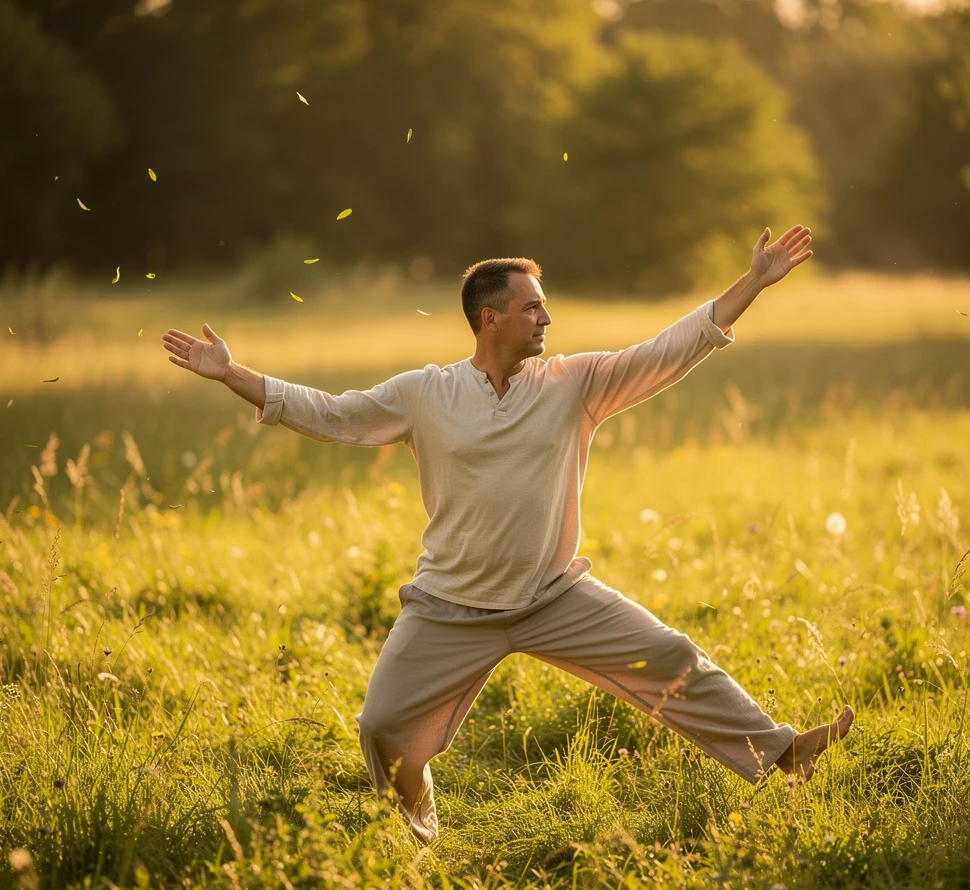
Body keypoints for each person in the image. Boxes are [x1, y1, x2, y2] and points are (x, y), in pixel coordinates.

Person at [162, 225, 853, 843]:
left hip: (552, 598)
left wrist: (754, 283)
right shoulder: (424, 393)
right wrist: (233, 375)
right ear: (490, 319)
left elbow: (670, 348)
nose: (547, 316)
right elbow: (333, 414)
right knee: (381, 727)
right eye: (532, 307)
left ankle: (785, 752)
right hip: (449, 607)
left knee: (673, 655)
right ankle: (415, 819)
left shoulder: (573, 384)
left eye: (545, 305)